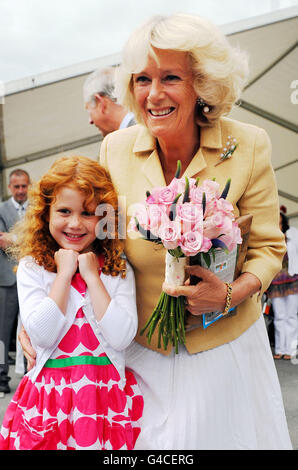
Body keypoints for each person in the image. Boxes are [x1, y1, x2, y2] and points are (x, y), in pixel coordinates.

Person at [20, 14, 292, 450]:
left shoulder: (249, 144)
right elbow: (88, 234)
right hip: (139, 345)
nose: (154, 94)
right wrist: (36, 305)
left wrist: (228, 294)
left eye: (170, 77)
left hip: (222, 345)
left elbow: (267, 246)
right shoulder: (115, 148)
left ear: (202, 82)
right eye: (143, 79)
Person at [0, 156, 143, 450]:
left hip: (104, 402)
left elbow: (121, 336)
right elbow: (41, 334)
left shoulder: (117, 269)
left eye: (88, 213)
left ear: (105, 217)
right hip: (50, 401)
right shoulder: (32, 268)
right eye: (64, 211)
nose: (76, 223)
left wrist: (92, 277)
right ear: (45, 214)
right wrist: (64, 275)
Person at [0, 169, 30, 393]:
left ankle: (31, 375)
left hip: (32, 275)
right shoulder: (1, 210)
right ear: (10, 187)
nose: (21, 190)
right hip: (7, 278)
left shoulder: (36, 208)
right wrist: (28, 241)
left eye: (24, 186)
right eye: (16, 186)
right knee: (3, 331)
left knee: (31, 326)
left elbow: (42, 236)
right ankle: (1, 377)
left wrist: (15, 239)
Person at [267, 206, 298, 360]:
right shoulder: (270, 236)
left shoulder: (294, 234)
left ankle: (291, 350)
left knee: (291, 316)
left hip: (293, 279)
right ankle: (279, 349)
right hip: (276, 280)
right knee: (279, 316)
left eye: (280, 221)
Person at [83, 66, 135, 136]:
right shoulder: (144, 125)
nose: (90, 121)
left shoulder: (134, 136)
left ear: (101, 103)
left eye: (89, 111)